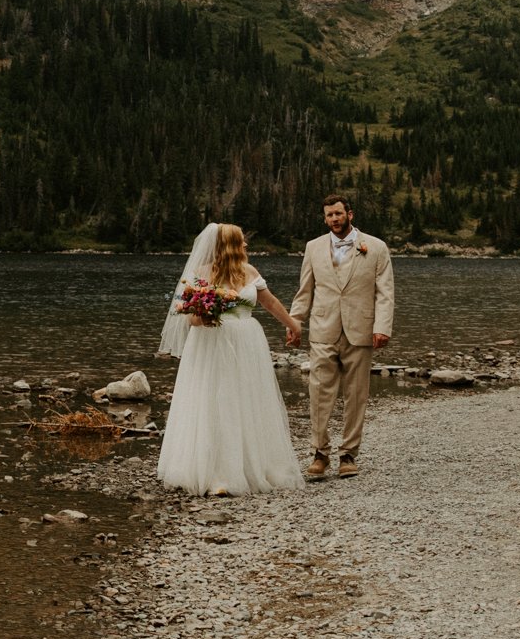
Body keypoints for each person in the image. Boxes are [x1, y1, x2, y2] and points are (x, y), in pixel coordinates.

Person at [155, 221, 305, 497]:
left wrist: (293, 324)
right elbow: (192, 320)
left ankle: (250, 467)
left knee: (245, 400)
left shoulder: (250, 272)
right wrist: (207, 314)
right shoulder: (201, 274)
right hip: (211, 344)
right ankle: (217, 473)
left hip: (246, 342)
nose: (246, 244)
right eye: (241, 241)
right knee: (214, 400)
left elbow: (269, 302)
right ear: (229, 246)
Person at [289, 193, 394, 481]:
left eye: (338, 213)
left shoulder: (376, 247)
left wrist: (382, 326)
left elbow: (385, 292)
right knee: (319, 392)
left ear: (350, 214)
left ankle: (348, 454)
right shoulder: (313, 247)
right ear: (325, 219)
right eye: (329, 215)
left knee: (356, 394)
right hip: (323, 329)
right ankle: (319, 453)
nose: (334, 219)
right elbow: (305, 291)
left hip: (361, 330)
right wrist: (294, 321)